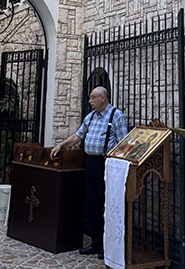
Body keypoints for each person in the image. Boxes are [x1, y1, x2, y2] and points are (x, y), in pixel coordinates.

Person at [51, 86, 128, 258]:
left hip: (106, 164)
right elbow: (78, 136)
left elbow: (124, 144)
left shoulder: (116, 116)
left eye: (93, 98)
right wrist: (61, 145)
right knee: (91, 203)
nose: (90, 101)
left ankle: (108, 246)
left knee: (107, 204)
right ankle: (96, 242)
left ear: (102, 98)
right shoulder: (91, 116)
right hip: (91, 163)